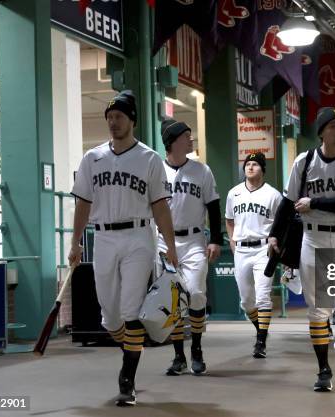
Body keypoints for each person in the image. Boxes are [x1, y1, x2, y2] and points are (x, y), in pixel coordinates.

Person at [69, 90, 177, 407]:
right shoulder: (92, 158)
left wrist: (170, 245)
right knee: (110, 316)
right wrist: (74, 242)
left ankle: (127, 379)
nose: (113, 122)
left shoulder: (149, 159)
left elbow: (160, 207)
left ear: (132, 120)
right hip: (102, 238)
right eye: (109, 117)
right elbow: (83, 203)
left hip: (138, 237)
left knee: (131, 311)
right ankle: (130, 349)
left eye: (119, 117)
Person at [268, 107, 335, 392]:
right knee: (319, 310)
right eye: (334, 125)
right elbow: (288, 203)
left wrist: (315, 203)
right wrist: (275, 235)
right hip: (312, 240)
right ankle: (323, 370)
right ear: (322, 131)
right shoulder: (304, 161)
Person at [158, 118, 222, 376]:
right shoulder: (157, 170)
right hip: (164, 241)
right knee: (173, 301)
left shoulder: (201, 171)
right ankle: (178, 357)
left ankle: (196, 348)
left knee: (196, 293)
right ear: (173, 142)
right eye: (186, 136)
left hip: (194, 240)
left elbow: (214, 206)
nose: (191, 139)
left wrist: (215, 239)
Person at [225, 152, 282, 358]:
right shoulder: (234, 193)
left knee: (263, 296)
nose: (250, 167)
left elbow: (281, 223)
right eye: (248, 164)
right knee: (246, 301)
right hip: (241, 249)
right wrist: (232, 242)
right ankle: (261, 329)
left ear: (262, 169)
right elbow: (229, 220)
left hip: (263, 249)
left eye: (255, 164)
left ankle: (260, 341)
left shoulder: (273, 195)